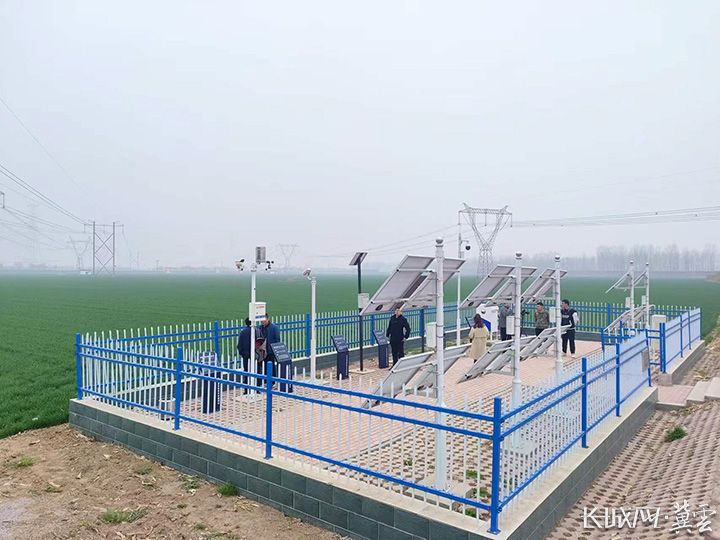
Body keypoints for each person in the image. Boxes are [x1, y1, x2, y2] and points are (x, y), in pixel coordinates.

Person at [236, 318, 253, 393]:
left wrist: (241, 352)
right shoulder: (257, 331)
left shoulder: (243, 332)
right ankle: (255, 387)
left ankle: (247, 389)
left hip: (245, 354)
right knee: (255, 370)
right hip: (255, 354)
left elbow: (240, 344)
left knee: (246, 370)